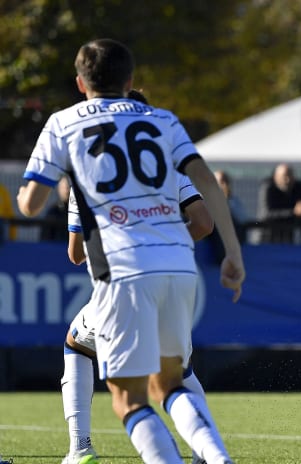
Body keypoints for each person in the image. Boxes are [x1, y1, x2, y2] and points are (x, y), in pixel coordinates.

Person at [17, 38, 243, 464]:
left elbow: (31, 206)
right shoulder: (164, 124)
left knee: (129, 399)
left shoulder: (66, 125)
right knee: (172, 382)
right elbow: (209, 188)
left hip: (122, 271)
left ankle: (80, 448)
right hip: (178, 265)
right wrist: (233, 254)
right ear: (131, 80)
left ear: (80, 82)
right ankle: (216, 457)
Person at [62, 170, 213, 464]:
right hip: (174, 279)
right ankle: (206, 452)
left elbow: (76, 254)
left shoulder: (85, 173)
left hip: (122, 285)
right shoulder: (164, 162)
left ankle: (80, 447)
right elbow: (205, 223)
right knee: (180, 373)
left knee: (77, 346)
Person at [256, 163, 301, 243]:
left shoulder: (298, 188)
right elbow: (266, 213)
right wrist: (293, 212)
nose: (288, 180)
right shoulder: (268, 188)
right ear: (275, 177)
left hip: (289, 239)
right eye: (284, 176)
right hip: (267, 239)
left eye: (290, 175)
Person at [209, 169, 248, 263]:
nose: (223, 185)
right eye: (220, 181)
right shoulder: (203, 200)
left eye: (225, 182)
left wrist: (226, 201)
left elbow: (243, 218)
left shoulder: (234, 201)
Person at [40, 176, 71, 241]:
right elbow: (45, 237)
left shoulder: (79, 212)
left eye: (69, 187)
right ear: (59, 188)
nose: (66, 190)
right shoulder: (53, 211)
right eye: (63, 187)